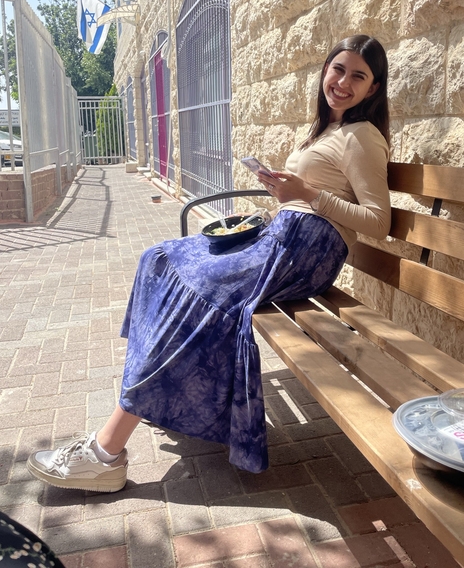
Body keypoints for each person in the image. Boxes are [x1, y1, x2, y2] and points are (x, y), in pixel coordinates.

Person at [27, 34, 391, 492]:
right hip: (283, 236)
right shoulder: (329, 129)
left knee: (199, 299)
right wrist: (284, 191)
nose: (343, 82)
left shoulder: (363, 136)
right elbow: (310, 195)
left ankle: (106, 453)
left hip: (306, 252)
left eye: (358, 76)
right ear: (325, 71)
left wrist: (309, 194)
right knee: (161, 258)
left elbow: (378, 222)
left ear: (373, 89)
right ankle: (152, 388)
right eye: (338, 69)